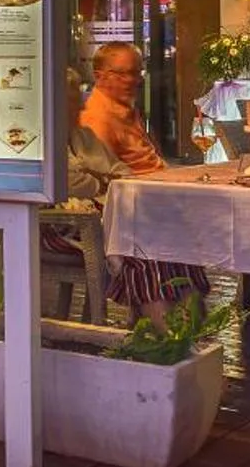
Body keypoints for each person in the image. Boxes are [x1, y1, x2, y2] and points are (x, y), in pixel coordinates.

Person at [81, 42, 199, 321]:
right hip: (127, 213)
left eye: (136, 73)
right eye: (122, 73)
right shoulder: (97, 118)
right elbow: (106, 181)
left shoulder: (124, 110)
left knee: (190, 235)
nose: (131, 80)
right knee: (157, 248)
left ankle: (178, 330)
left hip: (154, 200)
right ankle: (166, 337)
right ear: (100, 75)